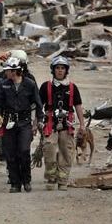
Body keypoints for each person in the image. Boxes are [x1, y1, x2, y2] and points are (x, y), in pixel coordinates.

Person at [0, 57, 44, 193]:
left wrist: (39, 121)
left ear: (15, 71)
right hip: (8, 123)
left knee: (24, 151)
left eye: (8, 70)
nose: (6, 73)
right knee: (10, 153)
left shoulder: (30, 84)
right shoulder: (3, 85)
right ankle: (15, 183)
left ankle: (26, 180)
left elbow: (37, 104)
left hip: (25, 123)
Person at [39, 56, 86, 191]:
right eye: (57, 68)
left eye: (62, 68)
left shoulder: (72, 88)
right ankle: (51, 177)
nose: (60, 71)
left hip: (67, 124)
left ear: (66, 71)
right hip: (50, 124)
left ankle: (63, 180)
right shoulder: (45, 86)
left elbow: (78, 106)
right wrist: (36, 123)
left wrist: (82, 125)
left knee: (66, 152)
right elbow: (38, 106)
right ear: (53, 70)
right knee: (49, 149)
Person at [0, 50, 36, 163]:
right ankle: (11, 171)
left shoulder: (29, 80)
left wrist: (35, 121)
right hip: (5, 118)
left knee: (23, 148)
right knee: (6, 148)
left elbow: (34, 101)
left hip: (24, 120)